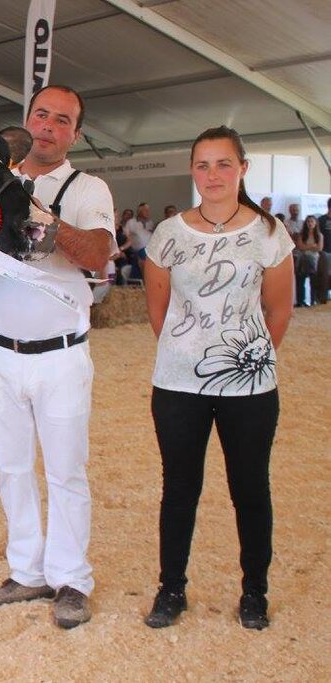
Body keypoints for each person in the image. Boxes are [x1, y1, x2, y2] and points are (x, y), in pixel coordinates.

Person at [0, 84, 116, 629]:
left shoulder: (86, 187)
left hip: (60, 356)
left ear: (75, 134)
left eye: (62, 120)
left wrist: (42, 218)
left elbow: (98, 254)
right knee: (12, 469)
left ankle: (71, 578)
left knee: (65, 471)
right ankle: (27, 570)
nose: (48, 127)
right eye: (41, 115)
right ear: (25, 120)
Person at [142, 125, 294, 631]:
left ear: (242, 169)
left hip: (249, 387)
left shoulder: (269, 233)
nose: (213, 175)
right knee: (179, 488)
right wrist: (189, 353)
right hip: (178, 385)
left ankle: (254, 591)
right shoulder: (169, 234)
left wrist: (246, 360)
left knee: (250, 488)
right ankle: (171, 588)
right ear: (192, 171)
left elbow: (279, 310)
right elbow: (159, 312)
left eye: (224, 164)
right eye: (203, 165)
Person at [294, 215, 323, 307]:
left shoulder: (319, 235)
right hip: (303, 258)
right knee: (300, 280)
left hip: (314, 259)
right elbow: (300, 246)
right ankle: (301, 301)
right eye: (308, 221)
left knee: (313, 280)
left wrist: (306, 247)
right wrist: (312, 246)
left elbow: (319, 248)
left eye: (312, 221)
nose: (310, 223)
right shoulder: (302, 234)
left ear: (315, 223)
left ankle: (313, 300)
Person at [315, 198, 331, 304]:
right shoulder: (321, 219)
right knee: (324, 276)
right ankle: (322, 298)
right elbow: (317, 235)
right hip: (325, 251)